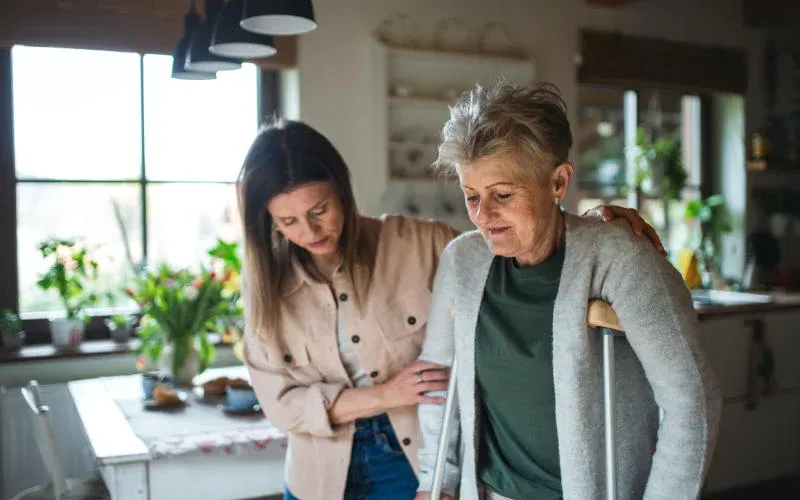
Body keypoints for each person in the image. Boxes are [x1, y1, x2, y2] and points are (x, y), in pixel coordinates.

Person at [237, 117, 665, 500]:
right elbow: (281, 407)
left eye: (319, 210)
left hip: (414, 458)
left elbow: (512, 238)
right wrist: (385, 395)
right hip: (317, 475)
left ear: (343, 192)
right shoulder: (265, 291)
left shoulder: (421, 244)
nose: (309, 231)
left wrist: (591, 225)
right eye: (288, 222)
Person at [415, 82, 722, 500]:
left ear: (558, 182)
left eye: (502, 195)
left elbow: (692, 398)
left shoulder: (619, 257)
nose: (484, 216)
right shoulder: (461, 261)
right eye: (472, 197)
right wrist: (437, 483)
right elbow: (438, 380)